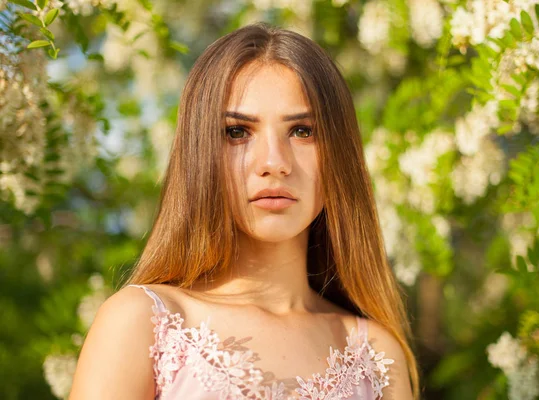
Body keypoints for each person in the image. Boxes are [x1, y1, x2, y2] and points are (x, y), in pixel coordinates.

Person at [69, 22, 419, 400]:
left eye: (303, 131)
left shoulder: (377, 355)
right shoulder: (143, 323)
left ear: (340, 153)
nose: (274, 163)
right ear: (200, 153)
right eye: (237, 132)